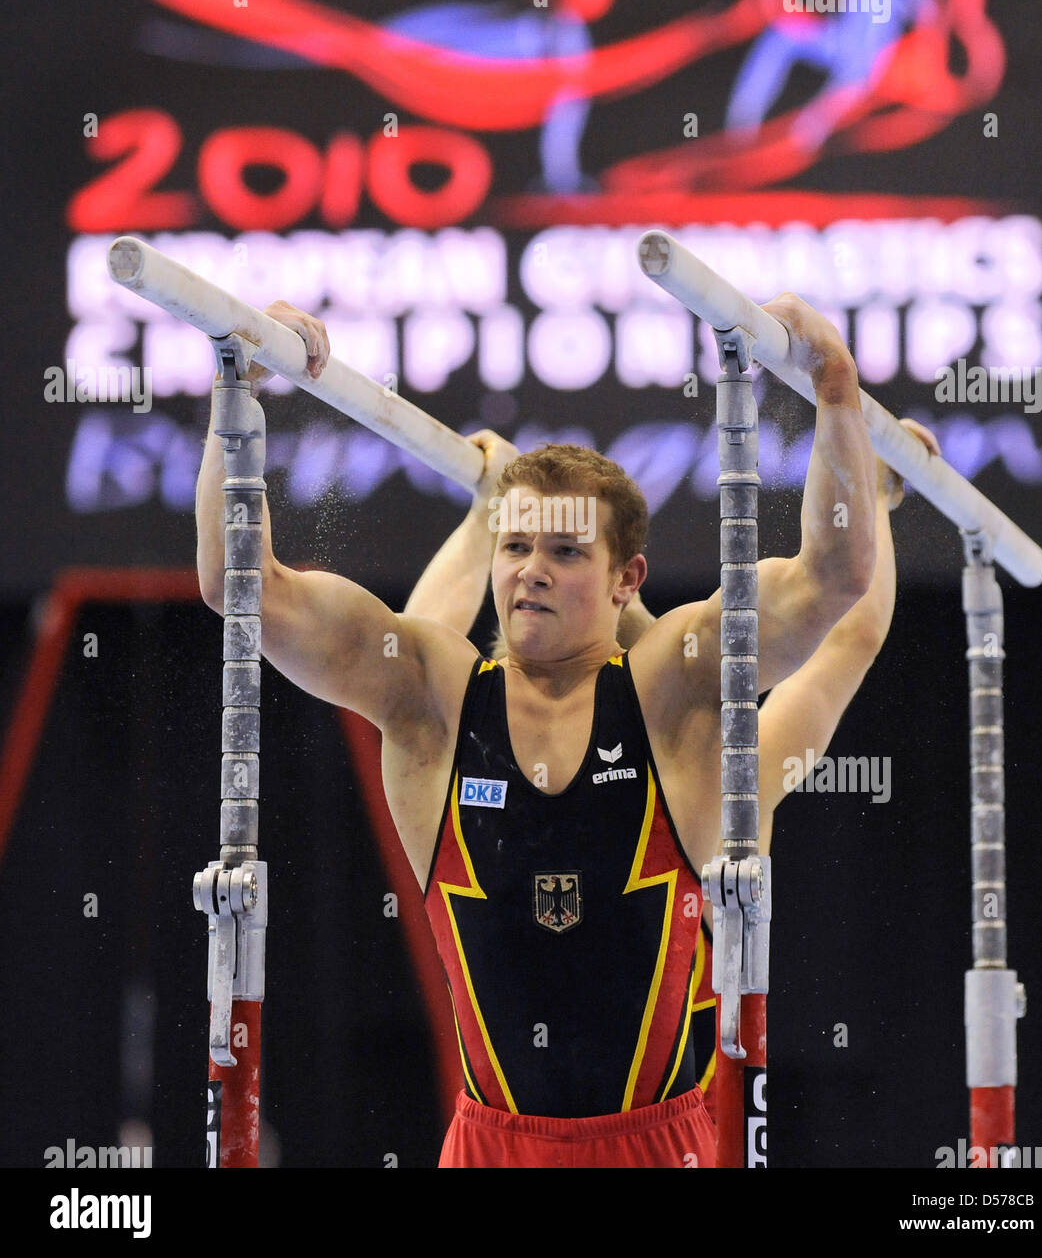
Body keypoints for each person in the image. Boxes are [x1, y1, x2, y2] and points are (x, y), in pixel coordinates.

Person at [196, 292, 877, 1167]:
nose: (532, 573)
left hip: (660, 1144)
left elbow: (832, 580)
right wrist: (237, 400)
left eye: (564, 553)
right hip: (491, 1148)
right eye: (515, 547)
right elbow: (241, 589)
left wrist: (835, 386)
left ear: (628, 576)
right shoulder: (433, 696)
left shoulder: (674, 687)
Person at [404, 417, 940, 1119]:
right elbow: (852, 635)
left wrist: (489, 517)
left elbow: (846, 634)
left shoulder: (734, 775)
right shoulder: (730, 775)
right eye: (521, 550)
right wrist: (870, 488)